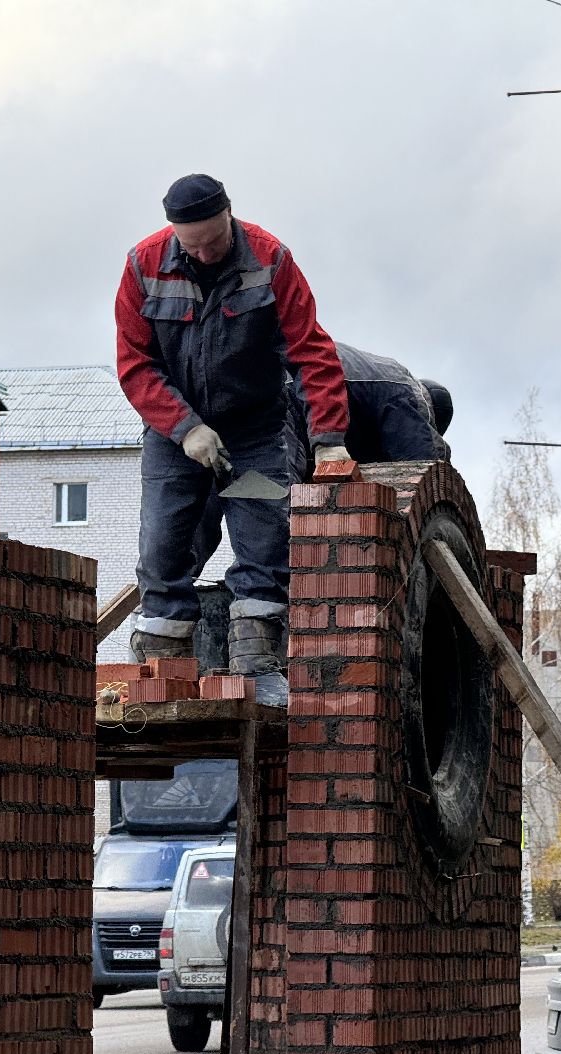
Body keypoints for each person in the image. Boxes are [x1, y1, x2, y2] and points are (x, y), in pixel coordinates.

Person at [116, 173, 350, 681]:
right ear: (174, 233)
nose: (202, 255)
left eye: (213, 242)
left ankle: (259, 670)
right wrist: (184, 428)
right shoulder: (144, 264)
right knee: (163, 545)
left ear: (230, 216)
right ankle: (162, 673)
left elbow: (311, 353)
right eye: (190, 245)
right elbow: (135, 364)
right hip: (175, 439)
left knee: (264, 538)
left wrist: (329, 441)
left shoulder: (270, 260)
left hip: (252, 437)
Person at [192, 344, 453, 578]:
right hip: (286, 391)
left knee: (215, 487)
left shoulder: (373, 380)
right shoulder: (406, 391)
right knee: (271, 507)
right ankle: (261, 609)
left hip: (237, 384)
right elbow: (425, 476)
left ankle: (163, 604)